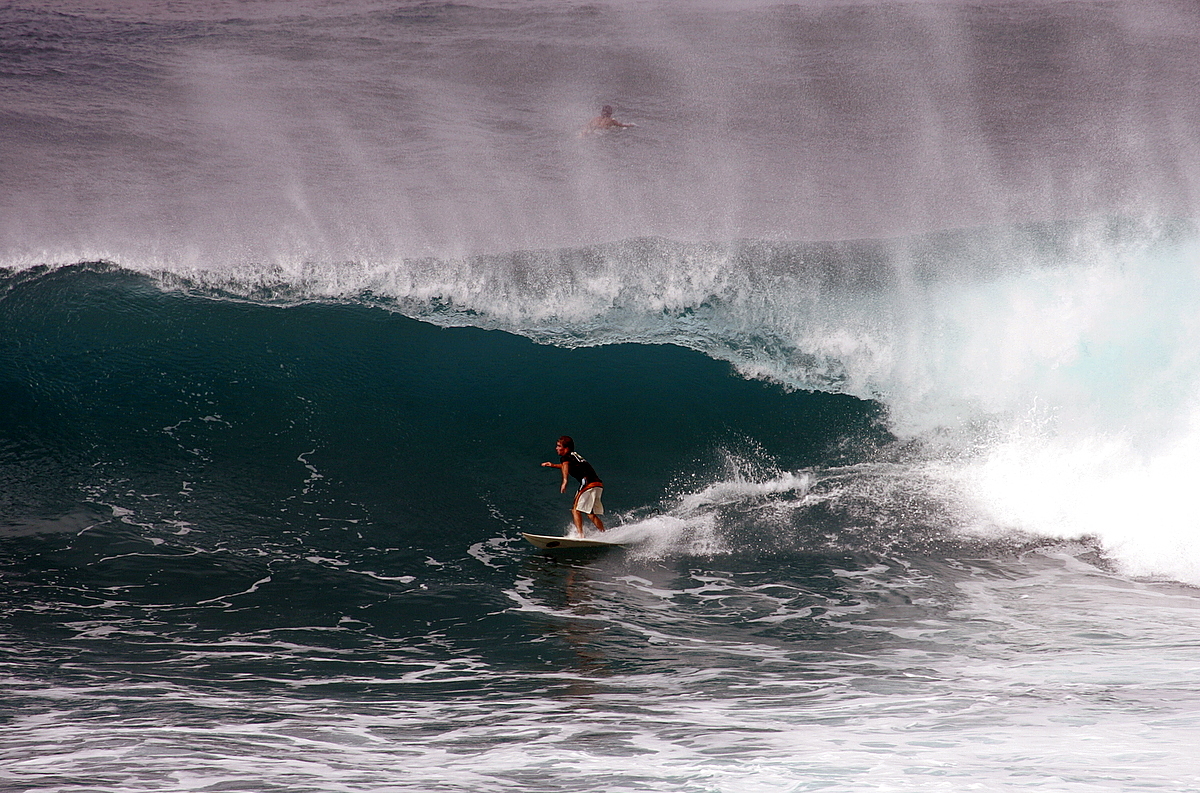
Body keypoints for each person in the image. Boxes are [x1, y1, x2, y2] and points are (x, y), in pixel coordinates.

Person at [541, 435, 605, 537]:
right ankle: (604, 534)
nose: (556, 448)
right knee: (590, 513)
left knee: (576, 510)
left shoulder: (565, 457)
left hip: (587, 483)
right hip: (597, 484)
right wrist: (553, 465)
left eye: (558, 446)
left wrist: (565, 481)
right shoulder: (574, 456)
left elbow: (566, 466)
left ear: (566, 448)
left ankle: (580, 536)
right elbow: (567, 466)